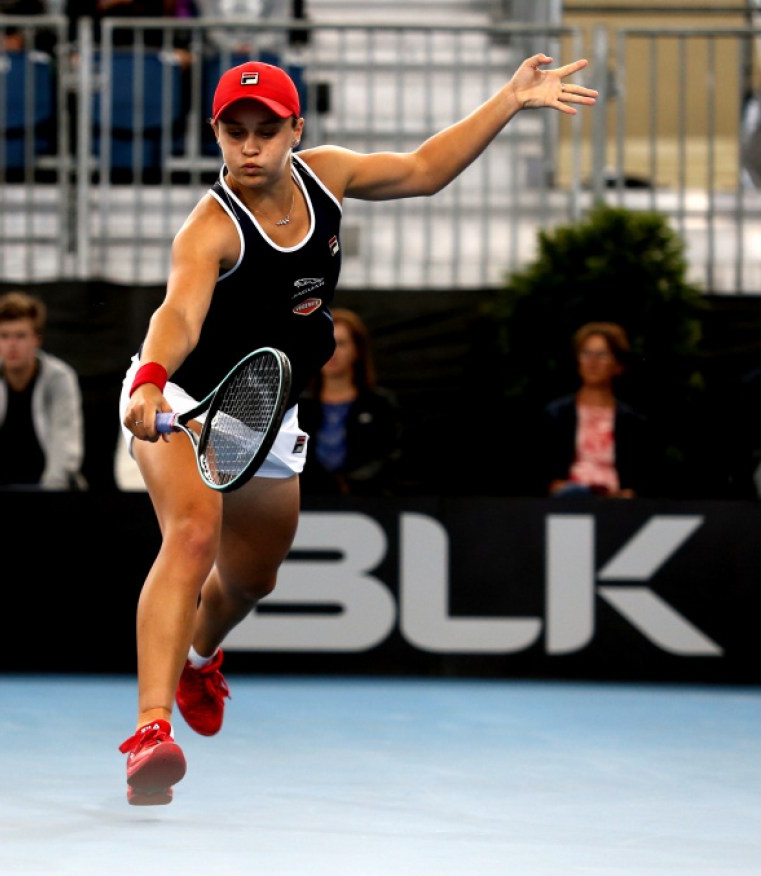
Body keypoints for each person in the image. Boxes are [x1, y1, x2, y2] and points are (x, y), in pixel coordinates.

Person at [116, 56, 597, 805]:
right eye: (233, 131)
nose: (249, 146)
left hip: (265, 411)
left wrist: (508, 100)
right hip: (180, 398)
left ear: (294, 131)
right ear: (214, 133)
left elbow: (423, 169)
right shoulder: (207, 228)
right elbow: (176, 315)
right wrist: (148, 379)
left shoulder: (328, 175)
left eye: (265, 131)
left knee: (250, 579)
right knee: (190, 536)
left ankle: (199, 658)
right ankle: (150, 730)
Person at [0, 290, 87, 490]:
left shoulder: (60, 378)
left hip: (51, 494)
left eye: (21, 336)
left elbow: (65, 437)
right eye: (4, 336)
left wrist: (51, 495)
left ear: (37, 339)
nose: (12, 345)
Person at [540, 321, 658, 499]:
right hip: (567, 505)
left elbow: (643, 477)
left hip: (617, 508)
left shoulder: (632, 421)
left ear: (618, 365)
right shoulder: (556, 414)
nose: (592, 361)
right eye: (586, 353)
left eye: (602, 354)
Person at [296, 307, 401, 496]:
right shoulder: (298, 407)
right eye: (325, 342)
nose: (332, 352)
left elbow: (392, 455)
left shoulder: (379, 404)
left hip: (368, 500)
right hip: (308, 502)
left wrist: (352, 482)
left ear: (357, 350)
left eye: (341, 343)